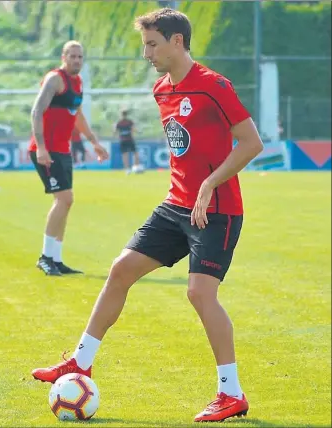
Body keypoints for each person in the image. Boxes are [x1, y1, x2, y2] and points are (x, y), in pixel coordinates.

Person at [32, 9, 263, 423]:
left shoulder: (214, 86)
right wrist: (190, 187)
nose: (146, 53)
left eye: (152, 44)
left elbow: (250, 143)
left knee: (199, 293)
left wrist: (209, 185)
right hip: (176, 205)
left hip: (218, 210)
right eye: (145, 45)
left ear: (177, 41)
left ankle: (232, 393)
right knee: (120, 270)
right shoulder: (161, 90)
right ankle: (79, 364)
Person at [28, 40, 109, 276]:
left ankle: (56, 258)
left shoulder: (78, 82)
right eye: (72, 56)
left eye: (80, 57)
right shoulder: (55, 79)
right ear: (64, 57)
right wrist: (41, 148)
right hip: (47, 150)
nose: (77, 60)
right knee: (63, 199)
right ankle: (45, 257)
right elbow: (36, 111)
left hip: (62, 150)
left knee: (67, 200)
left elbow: (78, 114)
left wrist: (93, 141)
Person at [114, 109, 140, 173]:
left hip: (122, 140)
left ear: (121, 114)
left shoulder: (119, 122)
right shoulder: (129, 122)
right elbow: (133, 129)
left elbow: (115, 132)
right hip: (130, 139)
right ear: (127, 114)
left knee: (125, 154)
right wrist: (139, 132)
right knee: (135, 153)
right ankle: (135, 167)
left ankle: (127, 169)